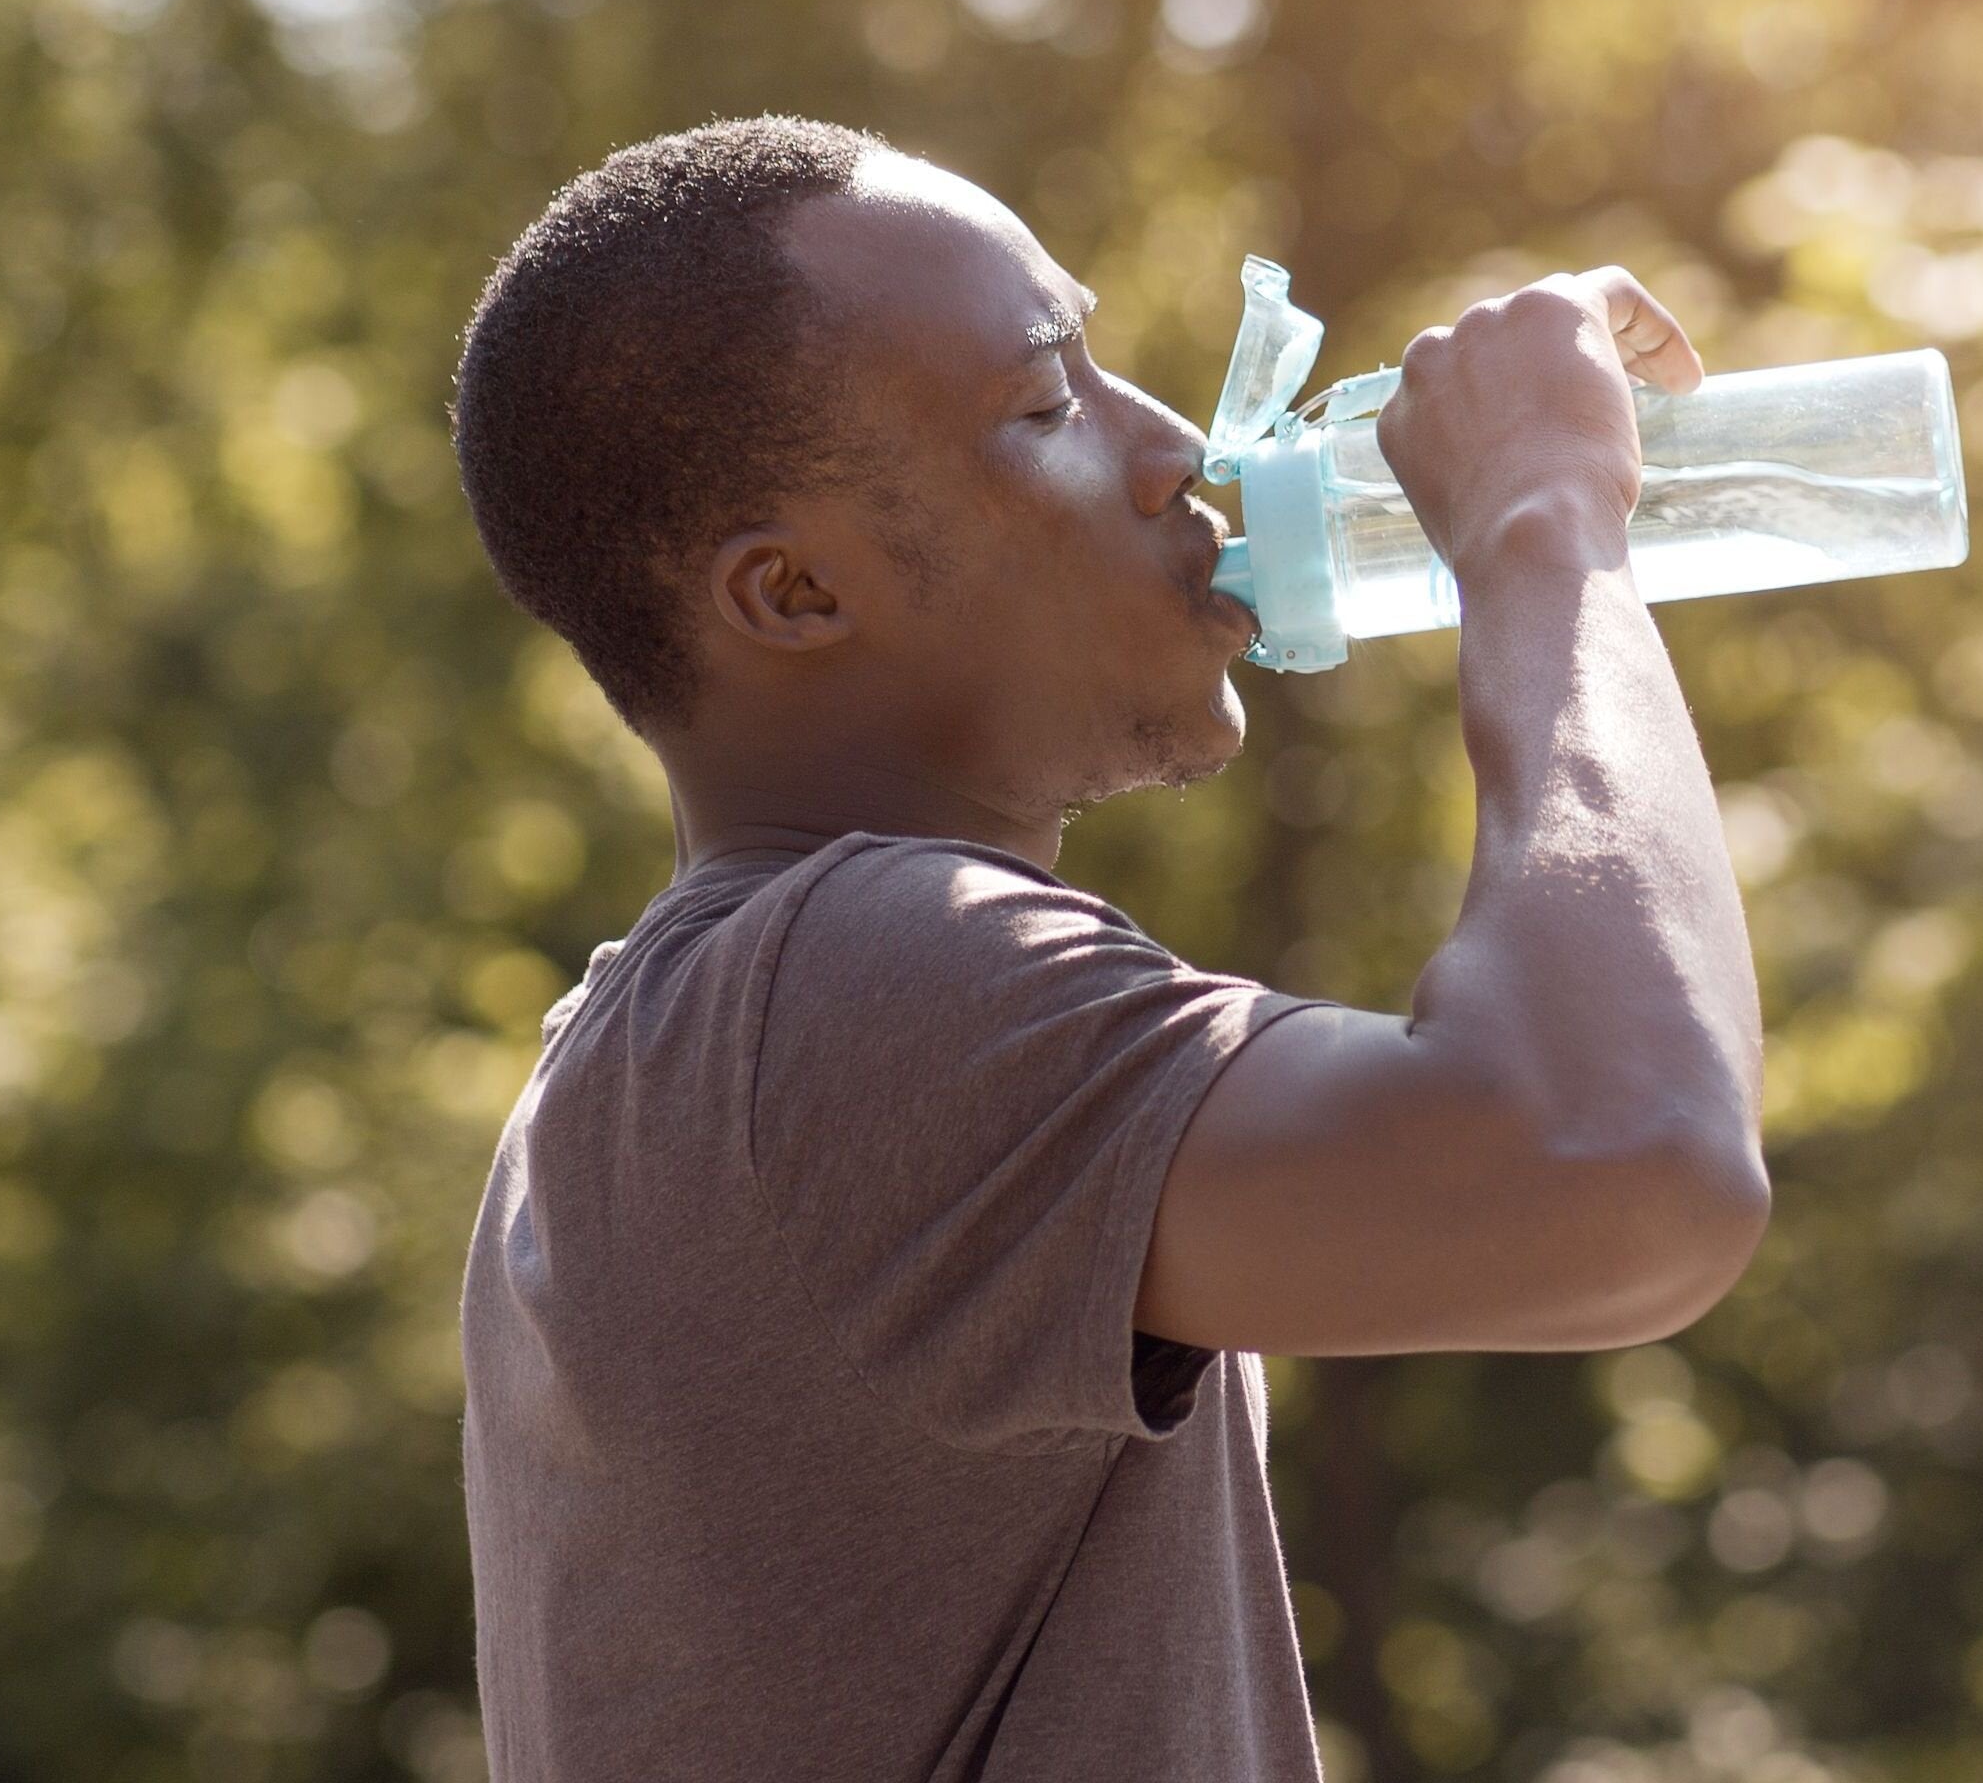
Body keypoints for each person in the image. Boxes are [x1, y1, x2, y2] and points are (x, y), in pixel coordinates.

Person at [446, 115, 1768, 1780]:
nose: (1170, 454)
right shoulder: (848, 988)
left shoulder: (667, 1050)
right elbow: (1627, 1168)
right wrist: (1546, 529)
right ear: (790, 594)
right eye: (1044, 405)